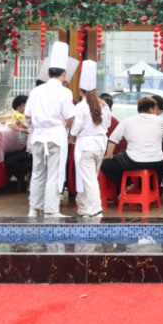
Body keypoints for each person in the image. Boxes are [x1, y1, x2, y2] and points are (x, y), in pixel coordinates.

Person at [24, 42, 76, 218]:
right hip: (55, 136)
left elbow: (27, 115)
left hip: (38, 136)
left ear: (48, 74)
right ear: (64, 74)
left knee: (37, 173)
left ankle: (34, 209)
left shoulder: (36, 90)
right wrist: (64, 122)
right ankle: (51, 211)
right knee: (54, 174)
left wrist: (39, 122)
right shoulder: (65, 92)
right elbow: (70, 117)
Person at [102, 96, 163, 196]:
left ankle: (128, 184)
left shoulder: (127, 121)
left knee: (104, 165)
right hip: (156, 162)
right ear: (151, 109)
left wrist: (109, 155)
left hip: (133, 161)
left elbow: (113, 140)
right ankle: (151, 189)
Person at [69, 61, 112, 218]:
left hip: (86, 145)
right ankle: (83, 207)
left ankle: (95, 210)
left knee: (89, 179)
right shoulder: (104, 106)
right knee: (88, 177)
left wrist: (71, 137)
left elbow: (75, 128)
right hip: (100, 145)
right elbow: (107, 125)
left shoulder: (81, 107)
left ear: (79, 89)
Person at [4, 95, 33, 185]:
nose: (19, 112)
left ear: (22, 105)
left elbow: (34, 131)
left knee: (9, 161)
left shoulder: (31, 114)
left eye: (18, 109)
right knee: (7, 156)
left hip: (34, 150)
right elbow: (32, 129)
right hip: (31, 148)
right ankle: (27, 175)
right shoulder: (31, 113)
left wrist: (19, 129)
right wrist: (23, 126)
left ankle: (29, 174)